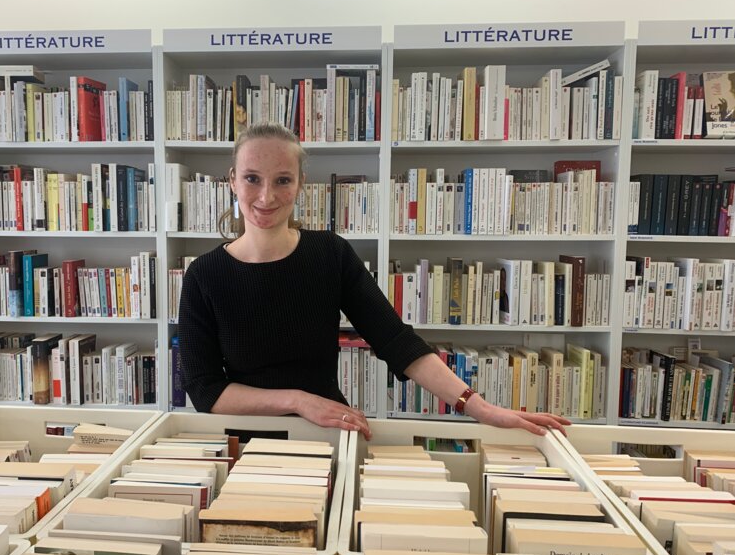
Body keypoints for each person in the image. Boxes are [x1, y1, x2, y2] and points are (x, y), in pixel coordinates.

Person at [178, 122, 570, 440]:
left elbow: (396, 341)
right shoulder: (204, 275)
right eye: (252, 178)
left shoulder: (330, 254)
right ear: (231, 180)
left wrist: (481, 407)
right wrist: (298, 400)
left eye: (282, 180)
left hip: (327, 433)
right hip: (244, 441)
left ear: (300, 183)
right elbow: (204, 389)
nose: (266, 196)